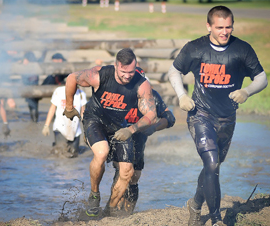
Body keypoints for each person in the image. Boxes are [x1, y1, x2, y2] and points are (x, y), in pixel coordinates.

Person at [168, 5, 268, 226]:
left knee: (213, 166)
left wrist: (247, 91)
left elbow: (262, 78)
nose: (225, 32)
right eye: (220, 27)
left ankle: (194, 204)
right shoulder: (195, 48)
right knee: (212, 164)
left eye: (229, 27)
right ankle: (216, 220)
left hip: (227, 118)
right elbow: (174, 70)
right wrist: (182, 95)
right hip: (200, 115)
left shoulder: (242, 49)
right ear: (209, 26)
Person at [63, 48, 157, 217]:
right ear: (116, 66)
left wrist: (131, 129)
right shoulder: (99, 75)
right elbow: (71, 78)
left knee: (128, 170)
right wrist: (69, 108)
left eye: (131, 71)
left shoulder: (141, 83)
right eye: (123, 72)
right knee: (102, 152)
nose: (128, 76)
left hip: (120, 126)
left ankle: (109, 209)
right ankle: (94, 195)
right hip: (95, 119)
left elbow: (152, 114)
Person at [111, 84, 176, 216]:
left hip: (139, 139)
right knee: (122, 172)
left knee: (134, 177)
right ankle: (113, 210)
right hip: (119, 136)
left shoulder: (151, 95)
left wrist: (154, 127)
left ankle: (128, 214)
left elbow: (169, 118)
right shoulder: (117, 91)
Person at [42, 85, 87, 158]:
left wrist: (87, 129)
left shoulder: (81, 94)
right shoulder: (59, 91)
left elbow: (83, 113)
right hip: (60, 128)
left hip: (75, 130)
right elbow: (52, 109)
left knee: (73, 154)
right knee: (61, 153)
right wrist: (46, 125)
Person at [21, 51, 40, 123]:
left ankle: (34, 121)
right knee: (33, 105)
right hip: (34, 87)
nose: (24, 61)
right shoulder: (35, 65)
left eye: (25, 59)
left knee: (33, 105)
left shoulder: (29, 67)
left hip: (31, 87)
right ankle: (34, 121)